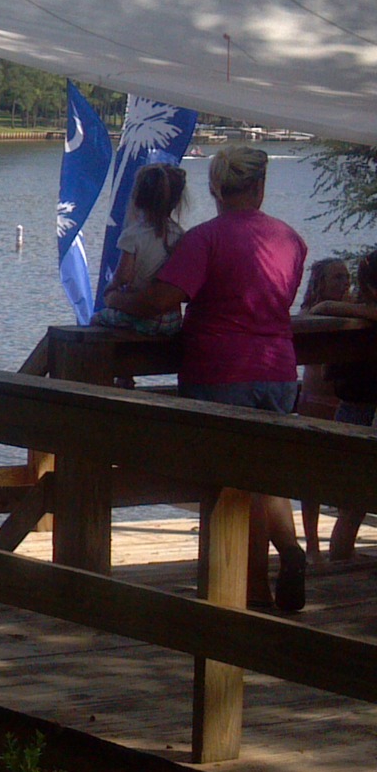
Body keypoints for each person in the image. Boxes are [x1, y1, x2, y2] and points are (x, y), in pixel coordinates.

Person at [104, 145, 309, 610]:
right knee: (266, 476)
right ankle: (290, 553)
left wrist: (116, 300)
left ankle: (251, 592)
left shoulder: (205, 239)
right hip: (278, 369)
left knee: (234, 486)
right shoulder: (291, 239)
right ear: (259, 188)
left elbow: (161, 299)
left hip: (220, 369)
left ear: (216, 189)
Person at [308, 253, 377, 561]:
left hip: (354, 405)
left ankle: (337, 562)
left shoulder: (350, 317)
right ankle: (334, 558)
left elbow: (327, 372)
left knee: (351, 505)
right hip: (355, 408)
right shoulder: (357, 316)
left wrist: (329, 307)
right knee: (351, 504)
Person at [295, 256, 351, 560]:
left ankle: (341, 540)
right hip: (315, 403)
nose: (344, 284)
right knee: (311, 478)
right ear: (320, 282)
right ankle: (313, 541)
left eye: (346, 277)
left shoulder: (353, 314)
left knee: (345, 475)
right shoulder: (307, 316)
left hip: (343, 402)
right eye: (336, 278)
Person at [92, 163, 188, 336]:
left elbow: (124, 276)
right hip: (171, 320)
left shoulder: (133, 235)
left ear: (138, 198)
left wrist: (111, 288)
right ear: (176, 201)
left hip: (141, 317)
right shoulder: (180, 235)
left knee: (96, 319)